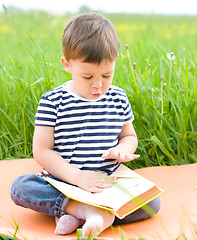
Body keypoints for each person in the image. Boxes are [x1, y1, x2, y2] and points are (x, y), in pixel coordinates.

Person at [10, 12, 160, 238]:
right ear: (67, 64)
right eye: (88, 77)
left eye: (107, 75)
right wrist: (78, 178)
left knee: (153, 203)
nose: (98, 85)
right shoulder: (52, 101)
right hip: (64, 183)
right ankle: (86, 211)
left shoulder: (118, 98)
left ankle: (77, 215)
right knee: (21, 187)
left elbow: (129, 136)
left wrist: (124, 149)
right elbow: (41, 151)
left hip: (106, 183)